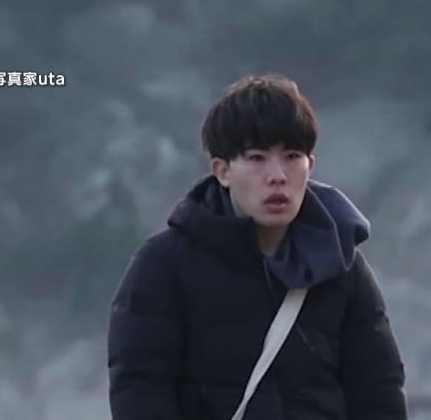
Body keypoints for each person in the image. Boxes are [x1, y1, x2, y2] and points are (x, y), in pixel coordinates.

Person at [107, 74, 408, 419]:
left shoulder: (340, 265)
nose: (277, 175)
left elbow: (379, 392)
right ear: (222, 170)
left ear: (310, 165)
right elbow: (140, 388)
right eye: (256, 157)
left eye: (292, 156)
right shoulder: (164, 264)